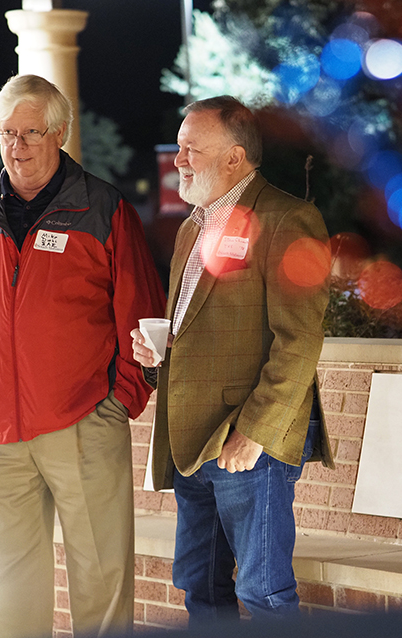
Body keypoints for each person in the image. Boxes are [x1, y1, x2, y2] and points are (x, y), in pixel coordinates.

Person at [0, 74, 166, 638]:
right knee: (5, 587)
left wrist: (118, 401)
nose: (17, 146)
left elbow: (143, 313)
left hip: (82, 422)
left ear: (58, 133)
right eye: (6, 133)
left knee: (101, 581)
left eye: (30, 132)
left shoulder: (104, 209)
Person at [130, 95, 335, 623]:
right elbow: (198, 330)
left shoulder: (290, 219)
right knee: (200, 588)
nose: (177, 160)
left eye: (189, 148)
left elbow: (299, 341)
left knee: (264, 593)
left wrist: (255, 432)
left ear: (234, 157)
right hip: (191, 442)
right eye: (179, 148)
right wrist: (159, 352)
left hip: (249, 444)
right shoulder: (189, 229)